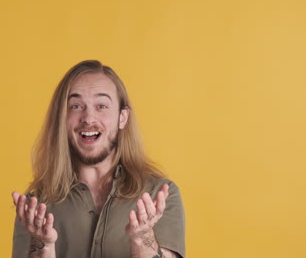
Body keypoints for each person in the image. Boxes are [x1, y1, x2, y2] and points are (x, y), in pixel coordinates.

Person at [11, 60, 185, 258]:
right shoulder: (35, 207)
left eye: (101, 106)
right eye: (76, 106)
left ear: (122, 117)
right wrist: (42, 247)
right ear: (62, 119)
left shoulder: (159, 195)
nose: (89, 118)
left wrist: (143, 239)